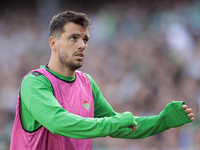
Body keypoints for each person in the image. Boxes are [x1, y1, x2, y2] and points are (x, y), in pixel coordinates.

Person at [10, 11, 194, 150]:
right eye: (73, 38)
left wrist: (161, 121)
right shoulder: (34, 82)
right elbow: (58, 122)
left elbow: (121, 126)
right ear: (53, 43)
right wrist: (114, 123)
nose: (82, 45)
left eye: (85, 39)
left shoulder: (87, 83)